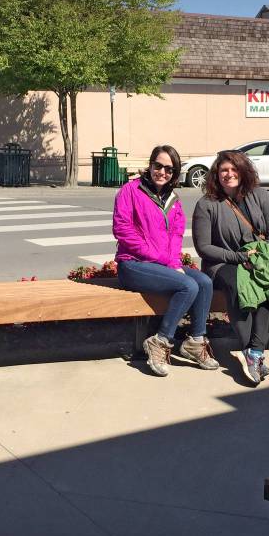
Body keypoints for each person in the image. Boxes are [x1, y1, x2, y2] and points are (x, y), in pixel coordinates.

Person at [113, 145, 219, 377]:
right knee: (187, 285)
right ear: (150, 165)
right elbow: (123, 231)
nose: (162, 172)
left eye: (169, 169)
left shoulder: (173, 200)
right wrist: (164, 260)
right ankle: (160, 341)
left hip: (161, 265)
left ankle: (195, 341)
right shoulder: (130, 191)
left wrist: (171, 262)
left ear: (175, 173)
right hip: (133, 264)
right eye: (158, 166)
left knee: (204, 282)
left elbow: (175, 237)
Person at [192, 150, 269, 384]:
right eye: (224, 170)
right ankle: (249, 351)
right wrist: (238, 257)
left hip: (260, 259)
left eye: (234, 169)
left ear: (244, 171)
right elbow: (203, 247)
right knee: (239, 287)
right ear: (216, 174)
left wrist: (263, 257)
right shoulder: (207, 204)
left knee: (268, 287)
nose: (229, 174)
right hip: (222, 263)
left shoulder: (260, 195)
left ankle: (255, 351)